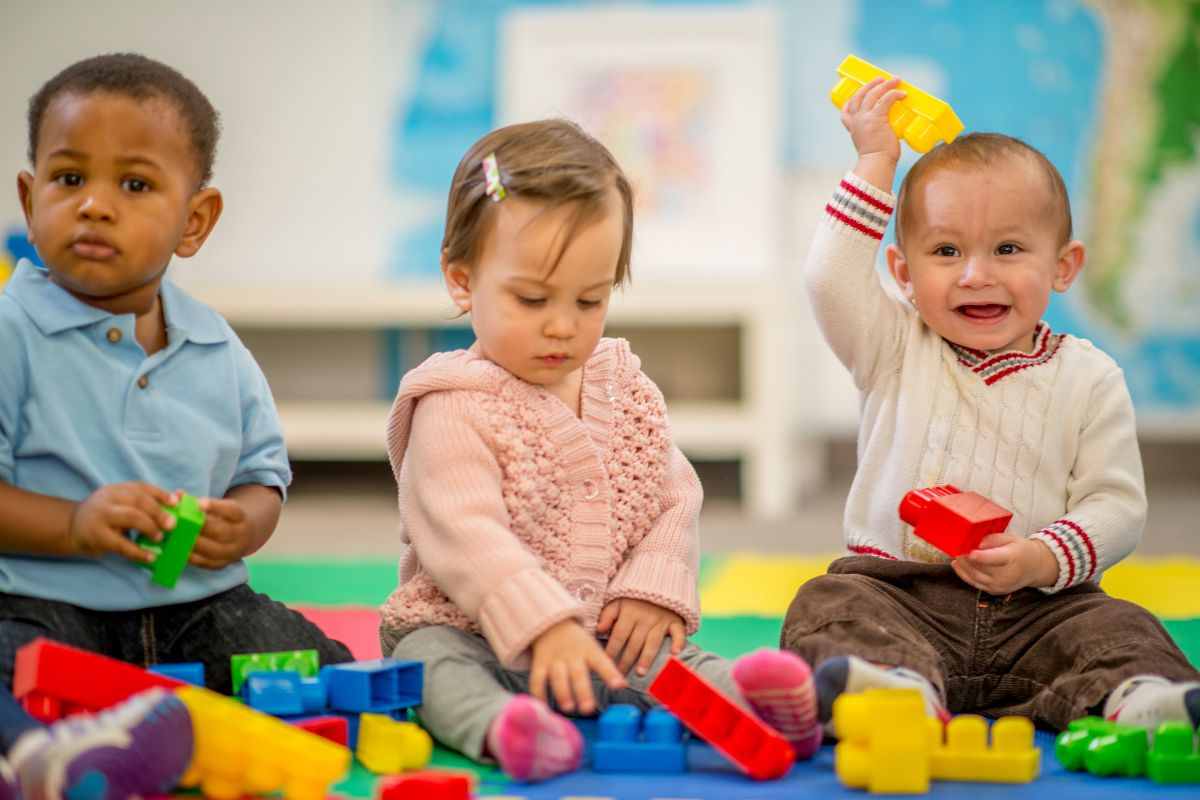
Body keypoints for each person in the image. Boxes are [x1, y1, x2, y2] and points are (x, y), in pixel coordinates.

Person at [380, 119, 820, 781]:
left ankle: (762, 708)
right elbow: (467, 537)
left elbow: (673, 493)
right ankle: (506, 731)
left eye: (590, 299)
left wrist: (652, 588)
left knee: (671, 664)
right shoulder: (452, 404)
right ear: (462, 280)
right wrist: (542, 625)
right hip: (470, 630)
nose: (563, 325)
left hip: (604, 630)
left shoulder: (626, 387)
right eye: (531, 299)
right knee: (428, 668)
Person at [783, 77, 1200, 733]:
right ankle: (894, 693)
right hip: (901, 597)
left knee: (1125, 626)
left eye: (1007, 249)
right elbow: (827, 278)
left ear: (1063, 267)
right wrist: (874, 163)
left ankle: (1143, 700)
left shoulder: (1090, 377)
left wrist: (1041, 557)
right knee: (828, 602)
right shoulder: (891, 344)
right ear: (903, 272)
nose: (976, 274)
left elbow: (1117, 506)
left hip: (1042, 606)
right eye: (946, 251)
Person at [0, 53, 351, 796]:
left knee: (323, 667)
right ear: (30, 200)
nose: (95, 205)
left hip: (195, 607)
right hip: (44, 608)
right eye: (69, 180)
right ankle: (54, 755)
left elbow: (263, 476)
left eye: (134, 184)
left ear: (195, 220)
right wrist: (75, 524)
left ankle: (157, 731)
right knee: (7, 665)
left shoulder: (217, 346)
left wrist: (245, 525)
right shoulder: (10, 331)